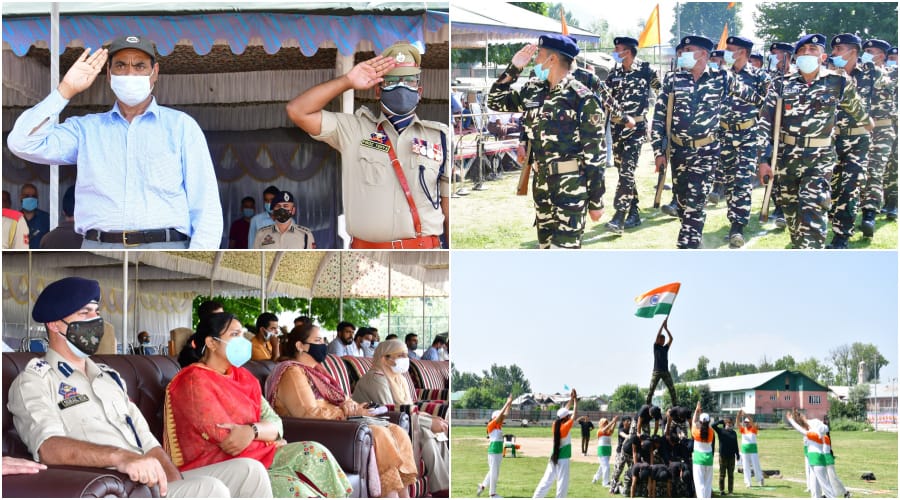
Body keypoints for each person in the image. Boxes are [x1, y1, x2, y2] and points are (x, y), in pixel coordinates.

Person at [7, 277, 272, 498]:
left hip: (149, 484)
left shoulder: (110, 378)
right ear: (54, 325)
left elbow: (147, 442)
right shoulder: (35, 381)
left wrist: (171, 483)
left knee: (250, 471)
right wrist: (121, 458)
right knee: (210, 489)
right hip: (114, 485)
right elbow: (48, 448)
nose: (95, 321)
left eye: (96, 312)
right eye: (84, 313)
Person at [7, 36, 222, 249]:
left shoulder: (181, 127)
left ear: (154, 73)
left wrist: (198, 264)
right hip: (98, 250)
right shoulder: (86, 130)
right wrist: (65, 90)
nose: (130, 73)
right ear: (109, 74)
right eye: (121, 65)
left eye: (139, 66)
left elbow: (206, 206)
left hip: (166, 249)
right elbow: (22, 142)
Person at [167, 312, 351, 497]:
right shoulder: (193, 381)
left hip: (259, 456)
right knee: (293, 488)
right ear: (212, 343)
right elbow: (229, 441)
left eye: (242, 334)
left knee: (314, 452)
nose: (242, 341)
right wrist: (267, 438)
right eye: (234, 335)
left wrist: (253, 431)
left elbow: (276, 423)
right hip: (222, 467)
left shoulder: (244, 377)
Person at [287, 42, 448, 249]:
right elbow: (297, 111)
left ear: (419, 91)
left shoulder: (440, 137)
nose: (401, 87)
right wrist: (347, 81)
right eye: (392, 82)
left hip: (425, 251)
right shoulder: (354, 130)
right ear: (378, 91)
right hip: (368, 256)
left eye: (409, 81)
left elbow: (447, 207)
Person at [264, 324, 417, 498]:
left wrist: (353, 407)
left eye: (322, 340)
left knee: (397, 430)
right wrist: (345, 413)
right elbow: (307, 413)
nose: (322, 345)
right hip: (323, 429)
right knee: (380, 434)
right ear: (300, 346)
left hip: (339, 422)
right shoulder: (292, 371)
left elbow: (344, 399)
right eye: (317, 340)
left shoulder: (318, 371)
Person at [487, 35, 605, 249]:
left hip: (571, 187)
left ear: (552, 60)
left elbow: (595, 155)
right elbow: (495, 100)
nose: (534, 60)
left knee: (565, 252)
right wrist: (513, 68)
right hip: (541, 185)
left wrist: (596, 201)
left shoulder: (582, 98)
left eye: (539, 55)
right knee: (545, 248)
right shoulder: (533, 91)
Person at [758, 34, 870, 248]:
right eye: (802, 50)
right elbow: (764, 124)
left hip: (819, 162)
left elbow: (861, 115)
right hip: (786, 161)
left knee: (813, 218)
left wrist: (870, 129)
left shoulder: (838, 82)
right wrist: (763, 159)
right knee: (793, 219)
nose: (807, 53)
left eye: (813, 49)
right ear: (795, 57)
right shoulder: (780, 84)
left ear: (823, 56)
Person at [651, 35, 762, 249]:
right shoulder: (673, 80)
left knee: (696, 201)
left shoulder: (722, 77)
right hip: (678, 152)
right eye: (681, 50)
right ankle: (692, 236)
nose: (682, 54)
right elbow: (659, 118)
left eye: (688, 49)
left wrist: (753, 119)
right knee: (683, 203)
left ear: (703, 54)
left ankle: (689, 245)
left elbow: (756, 98)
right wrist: (658, 151)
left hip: (707, 150)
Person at [351, 340, 450, 495]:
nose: (406, 359)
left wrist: (430, 419)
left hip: (402, 422)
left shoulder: (399, 378)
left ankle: (444, 486)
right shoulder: (376, 378)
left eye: (406, 355)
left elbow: (408, 407)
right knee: (429, 431)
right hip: (380, 424)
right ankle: (442, 489)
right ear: (385, 358)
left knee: (435, 433)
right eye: (401, 355)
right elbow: (388, 410)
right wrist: (429, 422)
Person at [827, 34, 881, 248]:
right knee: (833, 189)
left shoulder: (872, 74)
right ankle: (830, 224)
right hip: (832, 140)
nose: (835, 54)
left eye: (839, 49)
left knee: (850, 188)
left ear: (853, 52)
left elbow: (887, 94)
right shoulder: (829, 75)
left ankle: (841, 239)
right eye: (834, 50)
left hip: (859, 139)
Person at [718, 36, 771, 248]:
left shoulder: (760, 76)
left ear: (742, 52)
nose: (726, 52)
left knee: (742, 180)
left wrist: (739, 88)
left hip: (748, 134)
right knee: (729, 182)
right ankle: (733, 221)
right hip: (724, 135)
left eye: (730, 49)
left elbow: (766, 106)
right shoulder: (722, 75)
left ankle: (738, 226)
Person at [605, 36, 660, 234]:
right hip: (616, 129)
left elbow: (663, 92)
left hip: (635, 129)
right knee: (623, 173)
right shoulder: (614, 73)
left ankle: (619, 216)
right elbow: (607, 99)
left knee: (627, 172)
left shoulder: (646, 70)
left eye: (617, 48)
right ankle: (634, 211)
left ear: (627, 51)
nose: (615, 52)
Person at [858, 39, 898, 238]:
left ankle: (870, 214)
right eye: (864, 51)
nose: (865, 54)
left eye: (870, 51)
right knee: (859, 170)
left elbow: (886, 84)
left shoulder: (892, 74)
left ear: (881, 56)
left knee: (877, 169)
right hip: (861, 130)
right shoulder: (859, 75)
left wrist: (874, 70)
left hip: (883, 129)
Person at [533, 389, 577, 498]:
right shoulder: (565, 427)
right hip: (563, 458)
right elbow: (573, 414)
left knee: (546, 481)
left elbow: (564, 412)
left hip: (554, 457)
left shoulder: (555, 425)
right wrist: (575, 401)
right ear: (566, 418)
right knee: (562, 483)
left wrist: (571, 400)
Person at [786, 409, 833, 498]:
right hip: (813, 459)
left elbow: (800, 429)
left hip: (817, 459)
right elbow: (823, 428)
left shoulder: (813, 433)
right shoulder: (814, 432)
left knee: (824, 485)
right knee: (814, 484)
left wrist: (791, 420)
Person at [476, 394, 513, 498]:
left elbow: (505, 414)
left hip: (498, 451)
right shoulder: (491, 424)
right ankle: (492, 494)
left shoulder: (498, 425)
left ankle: (482, 486)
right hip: (494, 451)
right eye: (500, 418)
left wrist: (509, 403)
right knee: (494, 473)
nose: (502, 419)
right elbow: (502, 414)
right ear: (495, 418)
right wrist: (506, 403)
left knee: (493, 471)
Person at [645, 319, 676, 406]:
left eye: (663, 339)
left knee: (672, 389)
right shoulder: (656, 347)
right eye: (661, 339)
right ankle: (647, 404)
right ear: (659, 340)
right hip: (657, 371)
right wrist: (662, 325)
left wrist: (666, 329)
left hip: (665, 371)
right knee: (651, 389)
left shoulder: (665, 348)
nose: (663, 341)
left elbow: (671, 339)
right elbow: (658, 334)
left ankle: (675, 404)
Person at [691, 402, 715, 498]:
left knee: (699, 484)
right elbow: (705, 425)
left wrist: (697, 410)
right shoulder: (711, 432)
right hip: (709, 459)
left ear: (700, 422)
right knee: (707, 484)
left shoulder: (696, 432)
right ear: (708, 422)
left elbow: (693, 422)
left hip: (698, 459)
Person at [711, 416, 739, 495]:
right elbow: (713, 425)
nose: (729, 424)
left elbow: (735, 444)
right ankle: (722, 490)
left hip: (732, 457)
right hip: (723, 457)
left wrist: (737, 454)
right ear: (725, 423)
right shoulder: (721, 431)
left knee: (731, 475)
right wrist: (721, 421)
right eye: (728, 423)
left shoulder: (734, 433)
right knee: (722, 474)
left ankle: (730, 491)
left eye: (731, 423)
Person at [736, 409, 763, 487]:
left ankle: (760, 479)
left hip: (753, 451)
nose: (746, 424)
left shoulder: (754, 429)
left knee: (756, 465)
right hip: (744, 451)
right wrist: (738, 416)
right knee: (745, 467)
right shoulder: (743, 430)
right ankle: (748, 482)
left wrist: (746, 414)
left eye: (747, 422)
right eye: (745, 422)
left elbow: (751, 421)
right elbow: (737, 424)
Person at [18, 184, 51, 249]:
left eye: (33, 196)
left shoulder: (46, 218)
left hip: (41, 257)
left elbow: (50, 242)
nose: (30, 198)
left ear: (37, 199)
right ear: (21, 198)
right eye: (27, 196)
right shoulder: (15, 219)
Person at [591, 416, 619, 487]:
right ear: (601, 424)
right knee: (606, 467)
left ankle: (595, 478)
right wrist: (612, 422)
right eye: (604, 423)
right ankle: (605, 483)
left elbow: (612, 430)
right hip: (602, 451)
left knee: (602, 466)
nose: (606, 424)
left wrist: (615, 422)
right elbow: (604, 430)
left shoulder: (608, 432)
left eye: (606, 423)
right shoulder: (600, 431)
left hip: (607, 450)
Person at [608, 416, 632, 494]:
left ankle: (630, 486)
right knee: (617, 470)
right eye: (627, 421)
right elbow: (623, 434)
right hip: (620, 453)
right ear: (623, 422)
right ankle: (612, 487)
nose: (629, 422)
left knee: (632, 469)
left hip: (629, 453)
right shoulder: (621, 429)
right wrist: (629, 436)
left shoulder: (631, 430)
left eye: (630, 421)